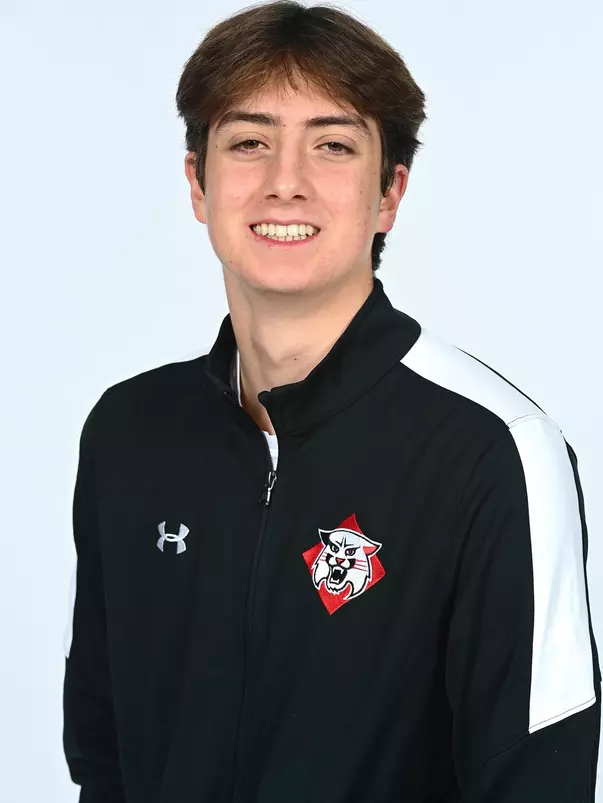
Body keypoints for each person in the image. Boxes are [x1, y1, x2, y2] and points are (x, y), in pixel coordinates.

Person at [62, 2, 601, 801]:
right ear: (197, 183)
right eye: (248, 142)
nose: (286, 182)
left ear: (388, 194)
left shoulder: (492, 449)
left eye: (333, 145)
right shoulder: (129, 431)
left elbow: (534, 781)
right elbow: (105, 760)